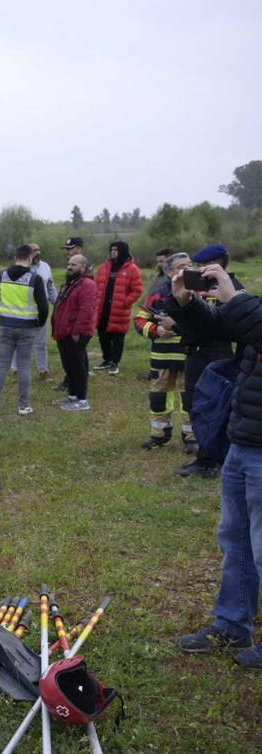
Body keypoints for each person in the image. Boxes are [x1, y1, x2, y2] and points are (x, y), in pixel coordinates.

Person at [168, 262, 262, 669]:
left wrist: (235, 297)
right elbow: (218, 331)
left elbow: (250, 321)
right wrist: (187, 302)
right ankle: (232, 624)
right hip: (244, 439)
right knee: (236, 540)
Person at [174, 243, 246, 478]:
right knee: (193, 402)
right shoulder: (197, 285)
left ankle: (215, 458)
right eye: (200, 265)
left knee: (218, 404)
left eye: (206, 264)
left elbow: (232, 325)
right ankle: (204, 456)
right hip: (194, 352)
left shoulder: (232, 288)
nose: (201, 269)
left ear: (220, 263)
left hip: (218, 353)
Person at [133, 251, 193, 449]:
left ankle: (192, 437)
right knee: (159, 397)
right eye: (183, 266)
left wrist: (178, 325)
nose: (189, 269)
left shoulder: (198, 293)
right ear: (170, 273)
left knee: (189, 398)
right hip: (162, 357)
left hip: (189, 356)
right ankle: (159, 434)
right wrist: (156, 330)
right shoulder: (158, 294)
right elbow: (139, 320)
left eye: (190, 264)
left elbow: (207, 323)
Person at [0, 245, 49, 415]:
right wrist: (40, 323)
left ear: (15, 257)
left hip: (6, 325)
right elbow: (44, 307)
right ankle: (23, 405)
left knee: (2, 365)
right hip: (27, 327)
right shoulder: (34, 279)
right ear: (30, 258)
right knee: (24, 365)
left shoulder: (2, 275)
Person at [52, 254, 97, 411]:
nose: (70, 267)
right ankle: (72, 396)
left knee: (78, 366)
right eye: (69, 264)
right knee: (69, 365)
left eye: (74, 264)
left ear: (83, 267)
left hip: (76, 332)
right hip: (64, 332)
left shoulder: (87, 285)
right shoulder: (70, 284)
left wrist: (77, 331)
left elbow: (87, 311)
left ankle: (82, 400)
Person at [92, 241, 143, 374]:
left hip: (120, 310)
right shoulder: (104, 268)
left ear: (123, 251)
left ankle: (115, 362)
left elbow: (137, 290)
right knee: (103, 335)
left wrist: (125, 302)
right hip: (103, 309)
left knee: (118, 337)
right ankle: (106, 360)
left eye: (116, 249)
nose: (113, 252)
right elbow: (97, 287)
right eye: (112, 249)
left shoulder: (132, 269)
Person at [13, 244, 56, 379]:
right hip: (24, 309)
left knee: (41, 341)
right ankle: (15, 368)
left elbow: (50, 286)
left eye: (38, 249)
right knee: (20, 340)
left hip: (41, 308)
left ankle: (43, 369)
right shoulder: (21, 267)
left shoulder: (45, 267)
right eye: (34, 250)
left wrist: (58, 303)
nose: (37, 252)